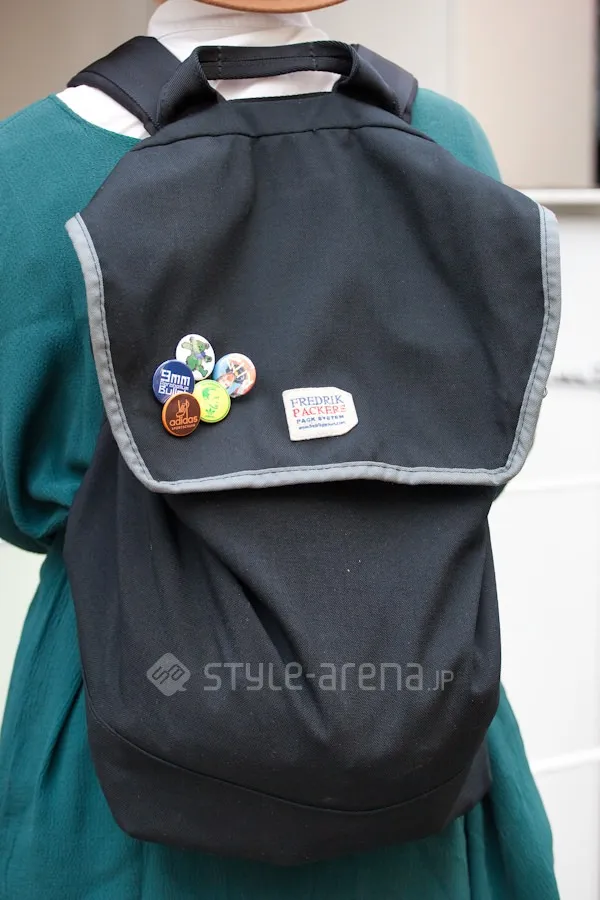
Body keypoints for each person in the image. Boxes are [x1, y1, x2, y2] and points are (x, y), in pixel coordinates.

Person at [0, 0, 560, 897]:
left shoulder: (27, 167)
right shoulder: (445, 137)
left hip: (136, 723)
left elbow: (17, 492)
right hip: (419, 724)